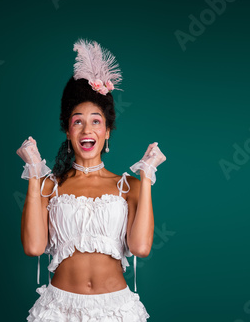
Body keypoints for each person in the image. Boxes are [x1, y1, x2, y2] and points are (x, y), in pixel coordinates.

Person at [17, 38, 166, 321]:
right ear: (67, 130)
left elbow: (140, 248)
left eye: (96, 121)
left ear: (107, 130)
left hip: (116, 309)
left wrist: (146, 176)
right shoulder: (50, 185)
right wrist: (35, 172)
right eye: (78, 121)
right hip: (58, 310)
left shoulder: (129, 186)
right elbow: (34, 247)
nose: (87, 129)